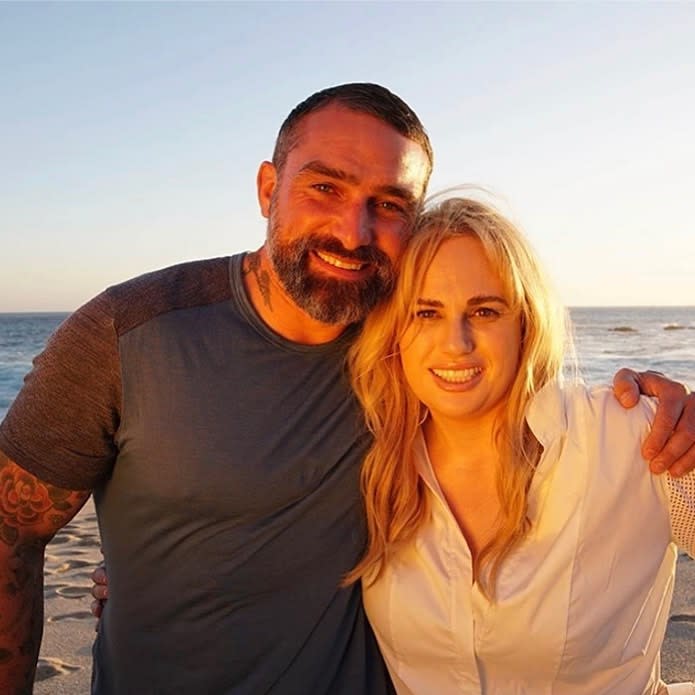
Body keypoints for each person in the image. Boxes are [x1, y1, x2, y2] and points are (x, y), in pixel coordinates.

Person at [0, 83, 692, 695]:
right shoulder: (131, 332)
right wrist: (147, 581)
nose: (351, 229)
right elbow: (11, 527)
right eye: (324, 187)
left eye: (388, 203)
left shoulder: (405, 354)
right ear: (268, 187)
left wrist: (666, 410)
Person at [344, 194, 695, 694]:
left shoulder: (632, 438)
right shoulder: (369, 466)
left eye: (484, 311)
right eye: (426, 313)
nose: (455, 343)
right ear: (394, 330)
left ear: (525, 323)